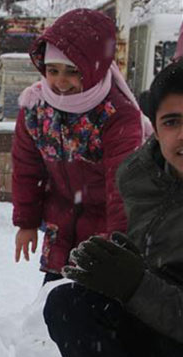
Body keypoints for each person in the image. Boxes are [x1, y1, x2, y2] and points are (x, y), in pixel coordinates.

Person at [44, 61, 183, 357]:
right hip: (161, 330)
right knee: (68, 304)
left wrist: (135, 284)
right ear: (154, 124)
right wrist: (118, 267)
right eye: (172, 122)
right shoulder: (140, 175)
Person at [11, 9, 151, 283]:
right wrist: (26, 222)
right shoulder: (35, 107)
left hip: (104, 231)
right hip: (60, 227)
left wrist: (119, 244)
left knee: (91, 312)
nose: (60, 82)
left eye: (72, 72)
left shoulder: (117, 115)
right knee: (52, 306)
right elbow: (27, 169)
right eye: (52, 70)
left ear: (93, 68)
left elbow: (123, 186)